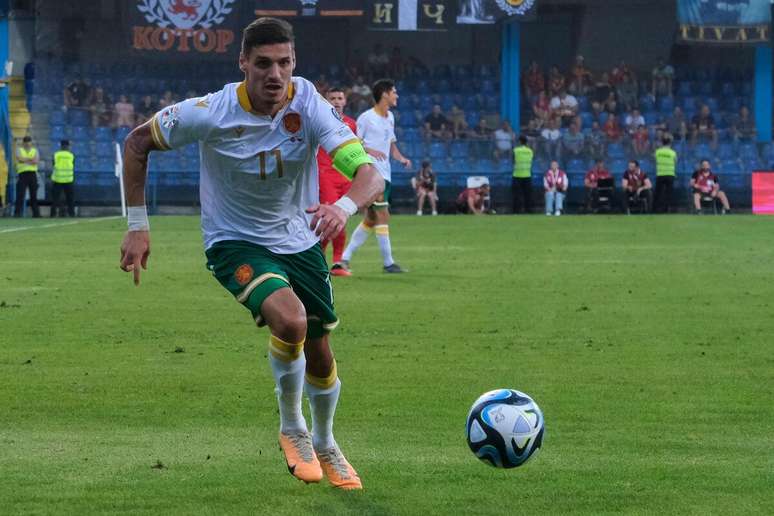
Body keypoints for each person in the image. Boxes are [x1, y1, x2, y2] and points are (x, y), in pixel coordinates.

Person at [118, 18, 384, 490]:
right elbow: (138, 142)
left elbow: (368, 174)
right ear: (243, 63)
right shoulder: (210, 112)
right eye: (263, 64)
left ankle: (325, 441)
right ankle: (292, 428)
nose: (274, 74)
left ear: (294, 63)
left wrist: (343, 207)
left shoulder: (308, 102)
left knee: (321, 352)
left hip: (299, 240)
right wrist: (138, 227)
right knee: (292, 320)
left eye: (284, 63)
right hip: (234, 240)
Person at [340, 78, 411, 274]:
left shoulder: (390, 118)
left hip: (385, 173)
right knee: (383, 215)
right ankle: (388, 263)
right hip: (371, 173)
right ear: (385, 94)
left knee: (371, 219)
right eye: (394, 92)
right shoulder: (366, 118)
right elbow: (354, 143)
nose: (397, 95)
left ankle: (344, 259)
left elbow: (390, 144)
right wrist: (370, 149)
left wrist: (401, 158)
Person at [317, 86, 357, 277]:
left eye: (340, 98)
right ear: (326, 101)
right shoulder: (318, 121)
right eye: (332, 98)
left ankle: (334, 262)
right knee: (332, 217)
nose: (337, 101)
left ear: (345, 101)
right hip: (325, 175)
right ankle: (330, 262)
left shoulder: (352, 124)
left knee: (341, 219)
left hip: (345, 176)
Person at [14, 136, 40, 217]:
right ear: (23, 142)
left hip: (32, 174)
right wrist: (30, 160)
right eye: (26, 142)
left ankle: (36, 214)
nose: (27, 143)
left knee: (34, 195)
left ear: (31, 142)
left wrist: (25, 160)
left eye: (29, 141)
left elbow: (36, 161)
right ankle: (17, 213)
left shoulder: (35, 150)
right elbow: (19, 159)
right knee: (20, 194)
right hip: (22, 174)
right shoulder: (19, 150)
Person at [50, 139, 76, 217]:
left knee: (55, 199)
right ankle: (72, 214)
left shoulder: (56, 154)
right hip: (68, 180)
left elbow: (53, 164)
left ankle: (53, 214)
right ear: (68, 146)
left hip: (57, 179)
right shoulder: (71, 155)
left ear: (61, 146)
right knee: (70, 199)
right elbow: (73, 164)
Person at [654, 136, 677, 213]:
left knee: (658, 192)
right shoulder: (672, 152)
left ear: (662, 143)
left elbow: (654, 160)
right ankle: (667, 209)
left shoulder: (657, 152)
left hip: (660, 174)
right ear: (670, 143)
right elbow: (675, 161)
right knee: (668, 193)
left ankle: (656, 209)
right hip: (670, 174)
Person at [512, 135, 533, 214]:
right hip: (527, 175)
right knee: (528, 195)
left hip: (517, 175)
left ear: (519, 141)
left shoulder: (516, 150)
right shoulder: (530, 151)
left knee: (517, 195)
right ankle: (528, 210)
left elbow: (513, 161)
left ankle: (516, 211)